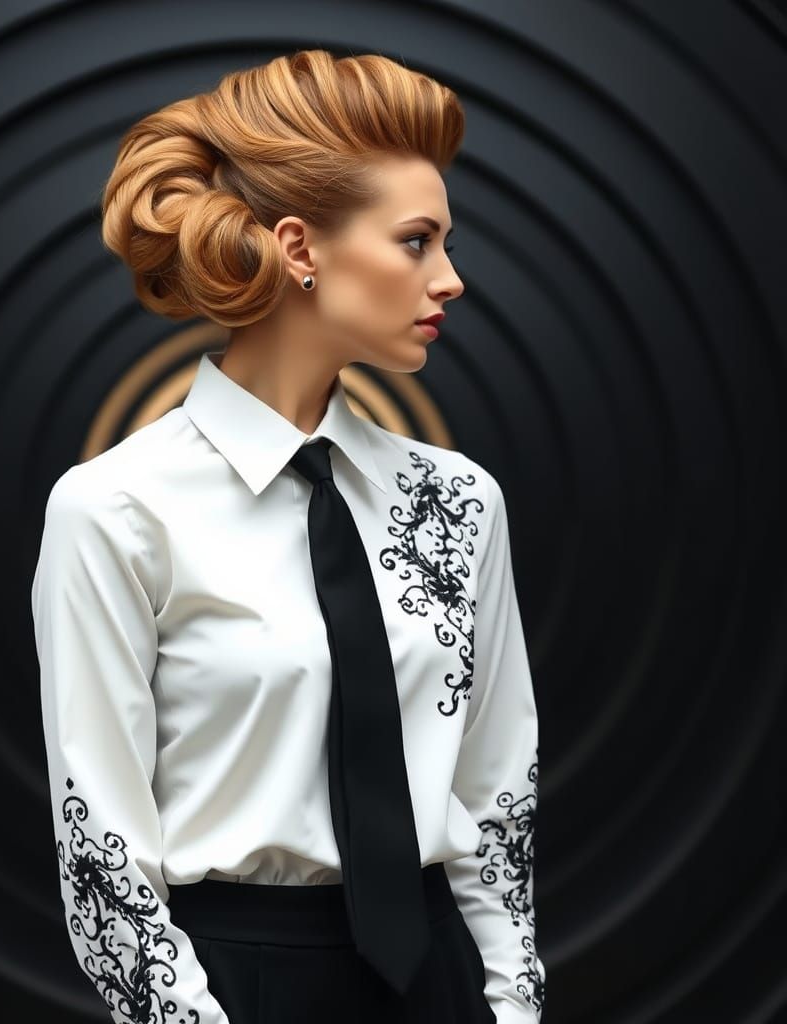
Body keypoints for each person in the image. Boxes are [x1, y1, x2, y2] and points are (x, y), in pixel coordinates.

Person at [30, 48, 545, 1024]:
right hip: (238, 985)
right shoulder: (116, 509)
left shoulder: (461, 501)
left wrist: (510, 1004)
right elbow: (102, 849)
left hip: (439, 977)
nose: (451, 279)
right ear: (301, 248)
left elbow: (495, 797)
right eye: (416, 241)